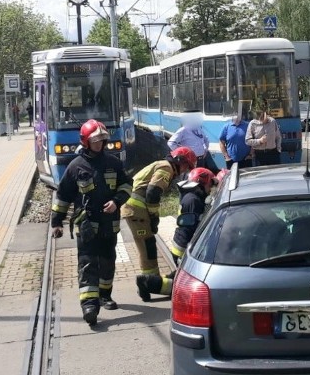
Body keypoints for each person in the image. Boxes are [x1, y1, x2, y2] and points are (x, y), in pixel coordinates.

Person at [50, 120, 133, 326]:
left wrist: (116, 202)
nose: (98, 144)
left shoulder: (113, 163)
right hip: (87, 226)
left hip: (109, 224)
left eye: (101, 140)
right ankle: (89, 305)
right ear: (86, 142)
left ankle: (105, 296)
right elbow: (63, 196)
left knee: (107, 262)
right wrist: (57, 222)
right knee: (87, 264)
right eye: (94, 140)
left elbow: (126, 185)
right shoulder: (75, 167)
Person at [122, 147, 197, 302]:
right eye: (187, 166)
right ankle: (148, 283)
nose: (186, 170)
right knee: (147, 245)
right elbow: (152, 193)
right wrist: (154, 215)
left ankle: (150, 281)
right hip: (137, 210)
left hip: (136, 210)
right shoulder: (166, 168)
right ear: (180, 161)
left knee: (148, 244)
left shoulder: (162, 165)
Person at [136, 167, 217, 300]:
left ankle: (148, 281)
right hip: (185, 248)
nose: (210, 188)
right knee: (188, 285)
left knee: (181, 276)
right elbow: (196, 226)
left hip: (181, 244)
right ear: (202, 183)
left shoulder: (190, 196)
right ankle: (148, 283)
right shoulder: (194, 201)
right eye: (210, 184)